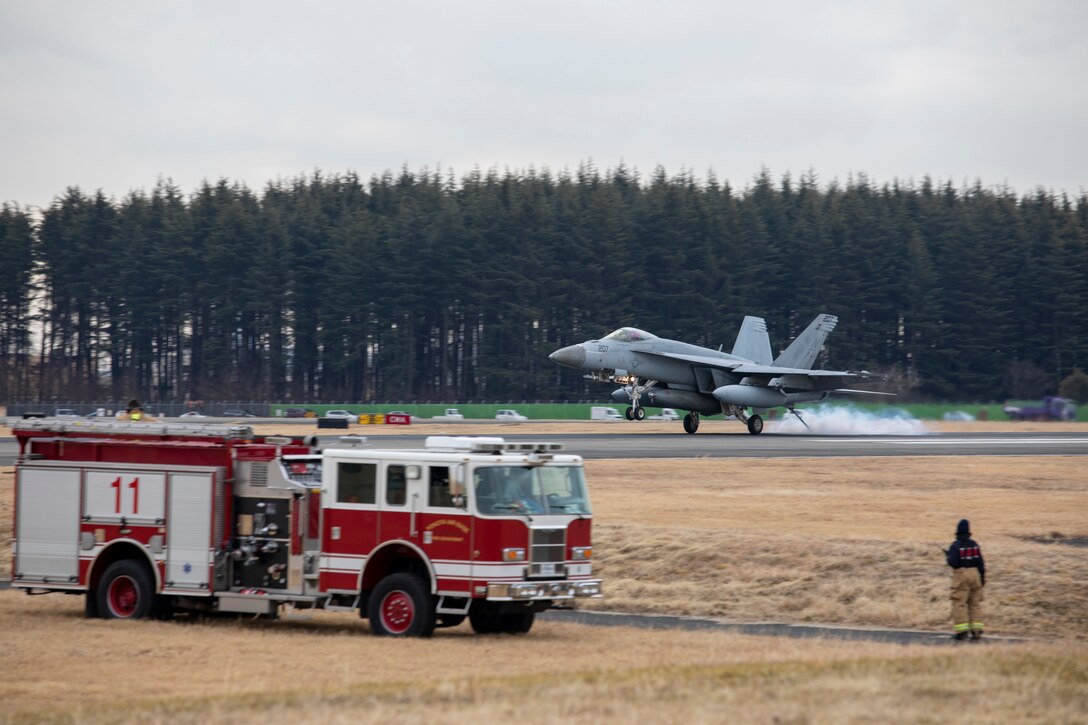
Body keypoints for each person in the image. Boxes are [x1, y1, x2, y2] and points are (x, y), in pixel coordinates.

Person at [946, 518, 985, 640]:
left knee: (959, 602)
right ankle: (977, 630)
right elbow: (980, 562)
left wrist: (948, 556)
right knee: (975, 603)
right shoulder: (974, 545)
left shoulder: (955, 546)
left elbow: (953, 562)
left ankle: (962, 632)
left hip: (961, 574)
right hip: (975, 574)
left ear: (957, 532)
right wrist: (982, 578)